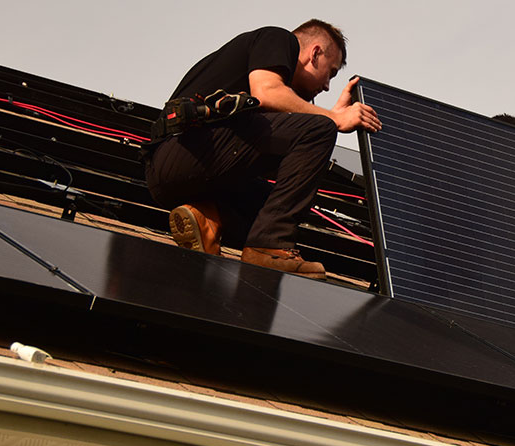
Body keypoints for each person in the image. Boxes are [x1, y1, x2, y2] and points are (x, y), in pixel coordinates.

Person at [143, 19, 381, 280]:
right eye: (330, 73)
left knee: (269, 207)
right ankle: (270, 248)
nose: (326, 86)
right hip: (183, 152)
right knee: (319, 129)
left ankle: (207, 217)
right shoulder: (279, 39)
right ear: (315, 53)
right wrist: (334, 119)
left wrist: (330, 115)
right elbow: (267, 92)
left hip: (183, 171)